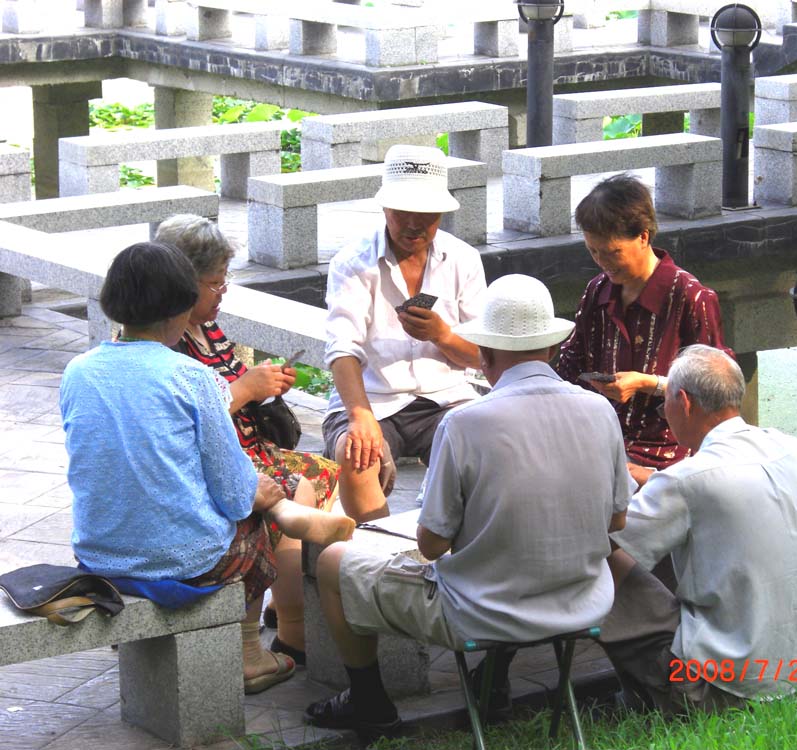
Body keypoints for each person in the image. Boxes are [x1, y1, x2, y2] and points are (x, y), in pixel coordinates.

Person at [304, 275, 633, 742]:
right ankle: (492, 679)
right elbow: (617, 520)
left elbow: (432, 544)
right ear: (552, 349)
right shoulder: (600, 411)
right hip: (583, 602)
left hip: (483, 612)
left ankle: (369, 702)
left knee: (334, 560)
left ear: (485, 354)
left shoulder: (464, 423)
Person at [60, 242, 355, 695]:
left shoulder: (78, 371)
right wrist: (258, 492)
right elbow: (233, 493)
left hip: (98, 553)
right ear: (181, 308)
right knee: (253, 508)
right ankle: (251, 655)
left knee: (250, 490)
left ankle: (291, 512)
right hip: (186, 560)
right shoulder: (191, 377)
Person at [600, 345, 797, 717]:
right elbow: (708, 488)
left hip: (727, 683)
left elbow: (608, 536)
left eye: (665, 406)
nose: (666, 414)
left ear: (684, 403)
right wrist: (650, 478)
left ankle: (651, 695)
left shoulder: (684, 481)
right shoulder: (779, 447)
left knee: (598, 558)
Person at [155, 214, 343, 665]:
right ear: (181, 282)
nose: (223, 293)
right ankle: (283, 631)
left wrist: (265, 383)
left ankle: (289, 606)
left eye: (225, 282)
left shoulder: (207, 327)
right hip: (218, 462)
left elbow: (230, 385)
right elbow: (181, 419)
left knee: (326, 472)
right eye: (214, 284)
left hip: (248, 448)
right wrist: (247, 389)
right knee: (293, 490)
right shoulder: (164, 340)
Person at [322, 144, 486, 523]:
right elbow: (342, 347)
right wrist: (360, 416)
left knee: (489, 445)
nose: (414, 224)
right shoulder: (352, 263)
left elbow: (483, 356)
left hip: (446, 398)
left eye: (426, 214)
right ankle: (379, 550)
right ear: (385, 208)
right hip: (373, 399)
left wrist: (443, 336)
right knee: (355, 452)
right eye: (403, 212)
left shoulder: (464, 259)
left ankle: (456, 546)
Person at [556, 173, 731, 487]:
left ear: (644, 237)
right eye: (594, 252)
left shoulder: (691, 297)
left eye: (612, 253)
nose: (603, 263)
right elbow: (570, 365)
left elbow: (719, 393)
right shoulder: (597, 291)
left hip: (668, 454)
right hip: (600, 441)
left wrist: (647, 384)